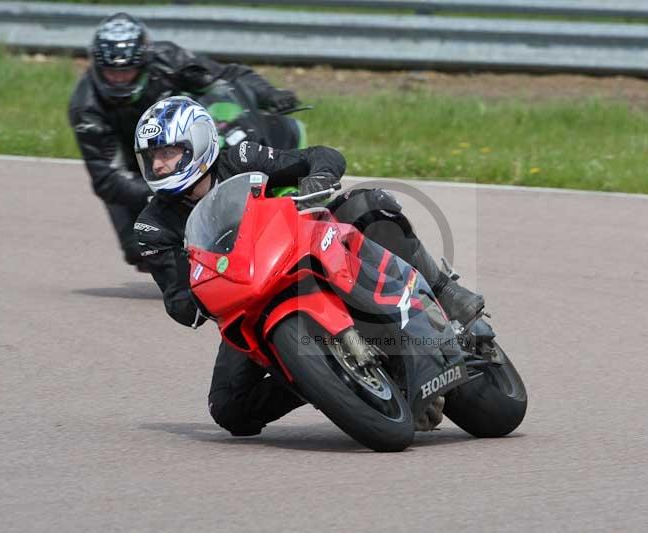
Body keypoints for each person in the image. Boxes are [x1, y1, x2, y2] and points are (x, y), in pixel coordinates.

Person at [134, 96, 483, 436]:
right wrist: (200, 295)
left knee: (367, 205)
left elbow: (323, 156)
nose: (159, 165)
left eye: (167, 152)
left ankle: (443, 291)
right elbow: (178, 298)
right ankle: (329, 383)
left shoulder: (241, 158)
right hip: (249, 300)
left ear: (197, 142)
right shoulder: (153, 226)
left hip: (307, 249)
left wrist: (317, 180)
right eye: (151, 158)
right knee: (230, 409)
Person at [69, 12, 298, 269]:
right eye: (113, 72)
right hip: (141, 171)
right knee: (140, 251)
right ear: (98, 68)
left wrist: (269, 94)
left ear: (144, 62)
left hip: (186, 144)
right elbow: (107, 179)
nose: (120, 78)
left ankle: (277, 178)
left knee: (222, 99)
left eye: (128, 71)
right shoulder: (86, 108)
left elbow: (227, 76)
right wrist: (167, 189)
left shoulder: (168, 59)